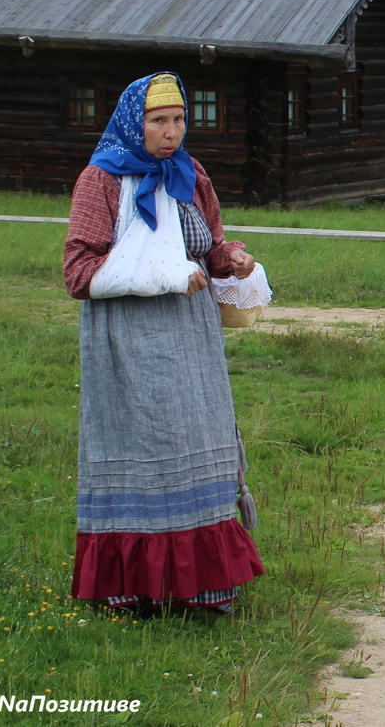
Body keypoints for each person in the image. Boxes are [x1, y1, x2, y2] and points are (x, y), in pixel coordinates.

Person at [64, 72, 264, 616]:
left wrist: (233, 259)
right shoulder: (101, 180)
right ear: (136, 123)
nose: (171, 132)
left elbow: (210, 246)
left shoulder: (189, 174)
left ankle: (204, 587)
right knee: (145, 449)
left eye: (178, 120)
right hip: (128, 342)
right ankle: (134, 590)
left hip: (191, 338)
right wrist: (160, 272)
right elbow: (79, 272)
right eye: (159, 121)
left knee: (196, 441)